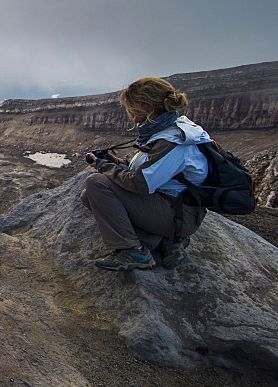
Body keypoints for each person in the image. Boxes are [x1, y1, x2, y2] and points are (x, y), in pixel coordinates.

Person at [81, 77, 211, 271]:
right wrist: (119, 164)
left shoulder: (173, 140)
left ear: (148, 108)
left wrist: (103, 166)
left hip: (179, 214)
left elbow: (141, 184)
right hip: (171, 207)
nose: (129, 112)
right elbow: (157, 171)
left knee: (97, 183)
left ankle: (133, 251)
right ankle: (159, 240)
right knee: (89, 196)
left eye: (132, 107)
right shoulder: (169, 127)